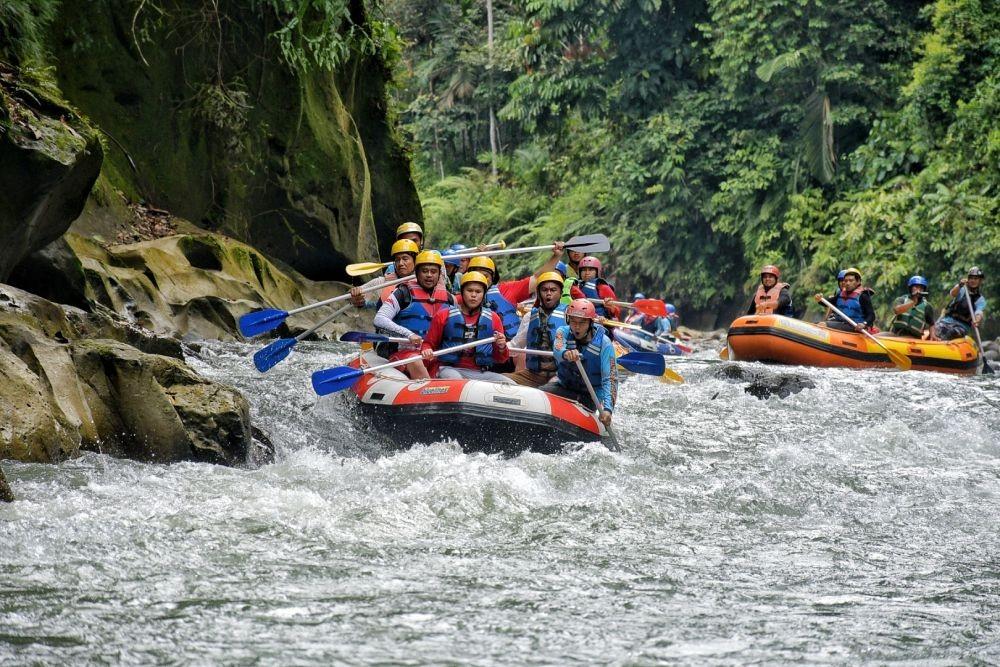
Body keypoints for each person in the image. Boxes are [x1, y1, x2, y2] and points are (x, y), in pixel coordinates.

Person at [421, 271, 514, 383]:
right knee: (457, 381)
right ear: (462, 292)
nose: (473, 295)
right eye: (469, 290)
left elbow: (501, 359)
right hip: (449, 369)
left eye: (478, 291)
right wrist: (426, 350)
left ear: (483, 294)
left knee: (510, 384)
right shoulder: (444, 315)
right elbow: (428, 344)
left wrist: (502, 346)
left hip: (480, 373)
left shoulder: (493, 318)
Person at [372, 251, 453, 379]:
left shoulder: (448, 298)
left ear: (439, 274)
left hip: (433, 354)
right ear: (417, 272)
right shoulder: (403, 293)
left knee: (449, 369)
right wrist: (409, 334)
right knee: (416, 361)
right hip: (403, 354)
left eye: (433, 271)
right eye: (424, 271)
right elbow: (379, 319)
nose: (429, 275)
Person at [540, 299, 617, 426]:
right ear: (568, 320)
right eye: (573, 321)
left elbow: (610, 379)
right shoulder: (562, 331)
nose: (577, 327)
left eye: (582, 323)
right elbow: (558, 348)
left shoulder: (604, 344)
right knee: (540, 393)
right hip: (564, 387)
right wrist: (566, 353)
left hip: (589, 395)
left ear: (591, 323)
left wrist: (608, 409)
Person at [468, 243, 566, 340]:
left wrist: (556, 256)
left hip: (509, 347)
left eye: (485, 276)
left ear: (492, 277)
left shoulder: (505, 289)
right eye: (477, 274)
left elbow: (537, 278)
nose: (480, 279)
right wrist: (472, 259)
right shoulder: (462, 297)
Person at [506, 271, 567, 387]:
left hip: (560, 375)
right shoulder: (530, 316)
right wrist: (500, 348)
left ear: (560, 293)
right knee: (501, 380)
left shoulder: (569, 315)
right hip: (533, 374)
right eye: (544, 290)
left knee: (548, 388)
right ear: (538, 293)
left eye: (553, 290)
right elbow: (516, 345)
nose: (548, 294)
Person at [350, 239, 419, 308]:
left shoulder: (423, 282)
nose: (400, 263)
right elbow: (351, 295)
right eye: (397, 260)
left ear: (415, 261)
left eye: (405, 259)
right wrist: (356, 296)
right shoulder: (382, 282)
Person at [934, 267, 987, 340]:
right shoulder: (962, 289)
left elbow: (979, 312)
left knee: (951, 332)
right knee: (936, 329)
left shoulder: (980, 299)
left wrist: (977, 320)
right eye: (971, 278)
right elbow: (952, 293)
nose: (973, 280)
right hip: (947, 321)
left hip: (962, 326)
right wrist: (960, 285)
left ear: (980, 281)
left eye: (976, 279)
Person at [821, 267, 876, 332]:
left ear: (858, 282)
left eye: (851, 280)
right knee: (817, 324)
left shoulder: (863, 296)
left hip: (854, 326)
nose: (847, 283)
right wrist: (820, 299)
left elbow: (871, 315)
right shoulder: (841, 294)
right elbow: (827, 303)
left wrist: (864, 324)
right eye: (846, 281)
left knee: (822, 325)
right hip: (841, 323)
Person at [570, 256, 621, 321]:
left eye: (591, 270)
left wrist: (611, 307)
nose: (587, 273)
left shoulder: (604, 288)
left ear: (597, 272)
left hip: (600, 322)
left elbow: (617, 312)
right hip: (579, 321)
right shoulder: (575, 286)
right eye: (584, 270)